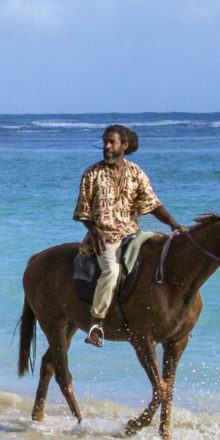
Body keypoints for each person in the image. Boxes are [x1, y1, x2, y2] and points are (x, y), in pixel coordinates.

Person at [74, 122, 179, 346]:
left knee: (163, 254)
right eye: (105, 142)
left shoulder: (136, 172)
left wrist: (173, 224)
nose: (107, 147)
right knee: (111, 271)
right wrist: (96, 231)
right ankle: (96, 323)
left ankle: (174, 323)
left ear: (125, 145)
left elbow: (152, 205)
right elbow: (82, 213)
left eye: (112, 142)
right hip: (105, 238)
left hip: (132, 234)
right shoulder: (92, 174)